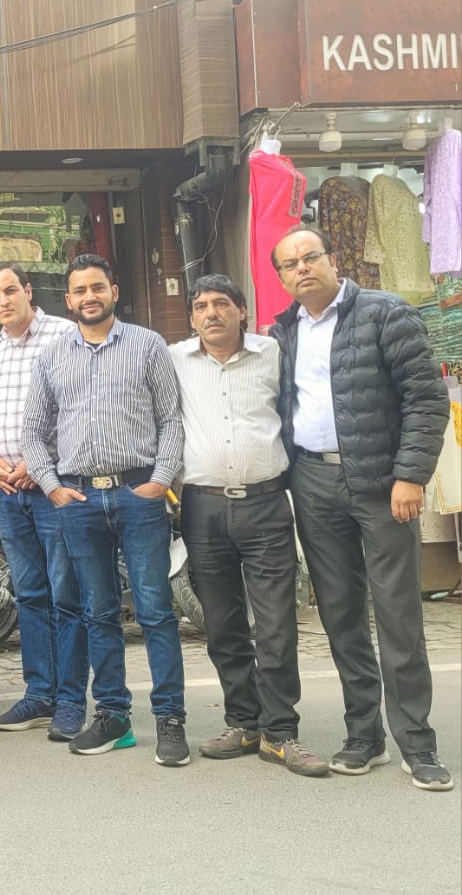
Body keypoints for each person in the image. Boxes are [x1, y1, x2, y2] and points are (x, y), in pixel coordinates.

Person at [269, 225, 452, 791]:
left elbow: (426, 398)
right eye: (290, 264)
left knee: (398, 615)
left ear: (333, 259)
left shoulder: (385, 313)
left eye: (311, 257)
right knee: (341, 616)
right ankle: (364, 735)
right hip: (313, 483)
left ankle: (417, 743)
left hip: (381, 486)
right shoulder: (283, 331)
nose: (302, 268)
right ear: (281, 277)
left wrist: (410, 476)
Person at [21, 253, 187, 766]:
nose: (89, 297)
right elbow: (32, 432)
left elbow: (171, 419)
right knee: (98, 612)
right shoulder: (52, 357)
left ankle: (170, 719)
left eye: (97, 287)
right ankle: (114, 716)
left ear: (114, 291)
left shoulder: (148, 344)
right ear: (68, 300)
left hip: (138, 494)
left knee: (155, 610)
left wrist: (161, 480)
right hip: (80, 500)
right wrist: (52, 488)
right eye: (79, 290)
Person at [170, 274, 327, 777]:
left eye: (221, 303)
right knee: (222, 624)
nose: (211, 313)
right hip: (203, 508)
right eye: (201, 306)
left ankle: (280, 732)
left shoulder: (272, 353)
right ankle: (243, 722)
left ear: (242, 310)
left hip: (266, 504)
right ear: (191, 317)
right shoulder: (174, 360)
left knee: (277, 624)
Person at [0, 263, 87, 738]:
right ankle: (39, 693)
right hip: (8, 492)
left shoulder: (64, 335)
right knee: (30, 595)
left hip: (53, 485)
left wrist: (37, 463)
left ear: (27, 290)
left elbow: (78, 408)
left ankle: (71, 700)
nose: (3, 301)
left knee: (66, 594)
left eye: (10, 291)